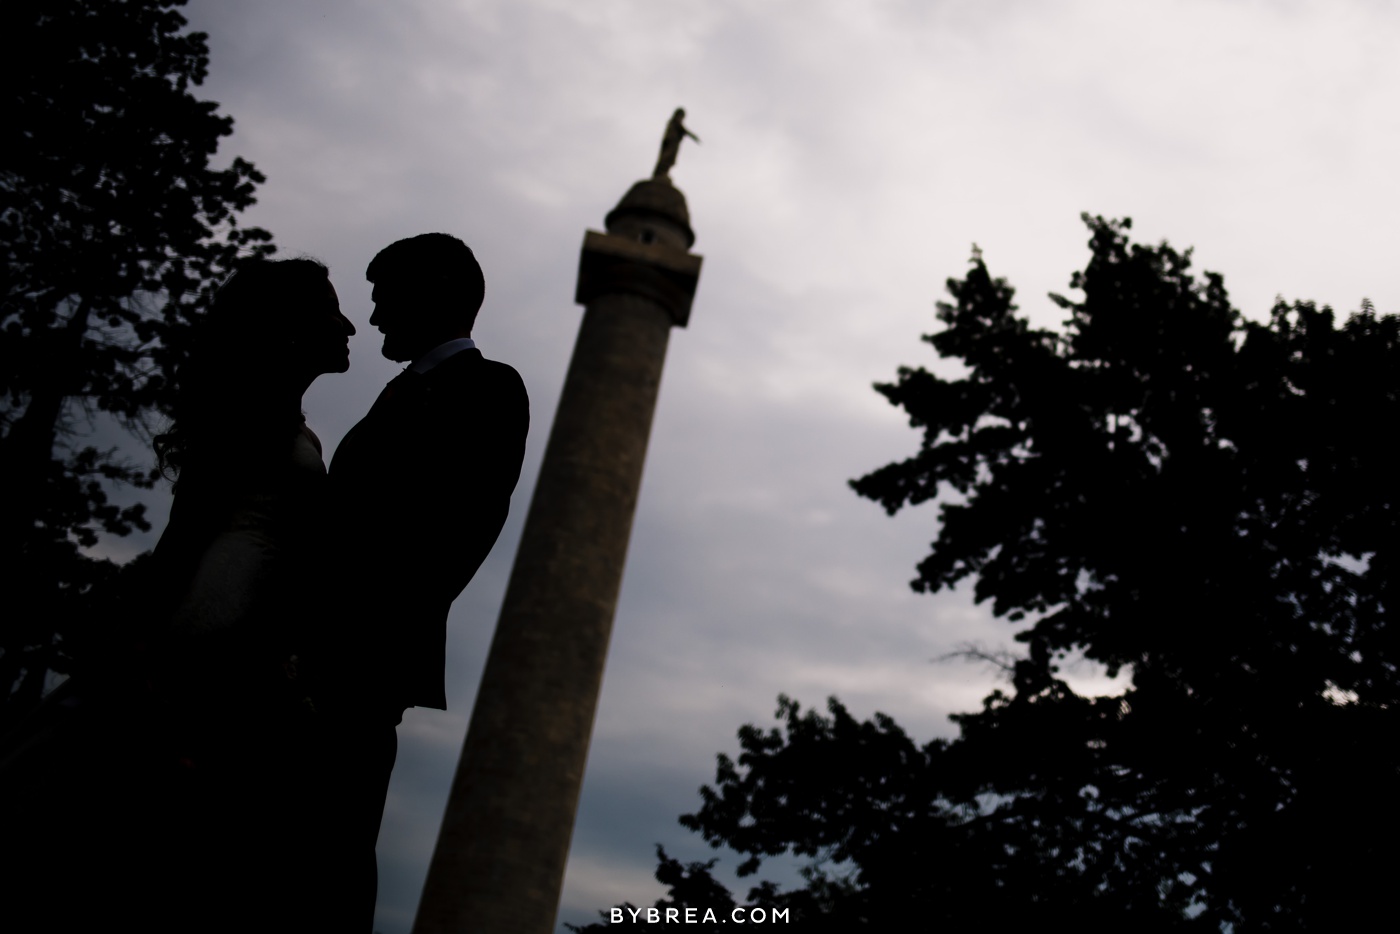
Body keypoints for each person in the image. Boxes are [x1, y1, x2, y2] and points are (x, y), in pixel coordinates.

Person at [308, 232, 529, 930]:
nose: (373, 317)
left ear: (436, 290)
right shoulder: (400, 394)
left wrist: (344, 644)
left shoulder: (489, 389)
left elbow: (454, 537)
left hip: (355, 666)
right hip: (317, 661)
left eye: (384, 298)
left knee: (327, 863)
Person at [146, 257, 355, 931]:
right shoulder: (252, 419)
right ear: (290, 330)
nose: (348, 322)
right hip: (212, 647)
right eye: (330, 308)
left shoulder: (279, 420)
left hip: (240, 651)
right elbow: (186, 537)